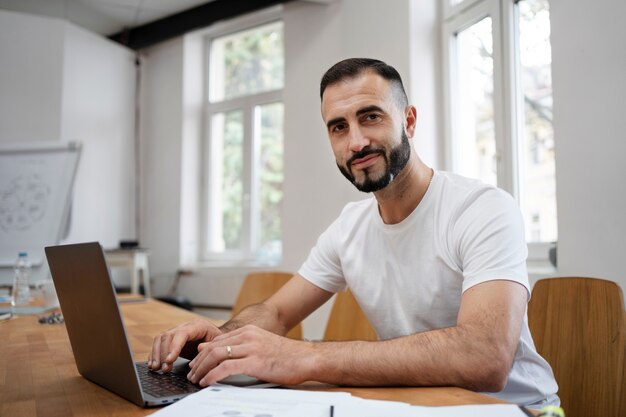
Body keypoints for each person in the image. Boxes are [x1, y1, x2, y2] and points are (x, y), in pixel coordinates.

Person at [149, 58, 559, 407]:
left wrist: (302, 357)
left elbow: (485, 357)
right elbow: (275, 313)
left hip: (520, 410)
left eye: (371, 117)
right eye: (338, 127)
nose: (356, 142)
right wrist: (219, 340)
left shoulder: (481, 208)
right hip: (421, 406)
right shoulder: (349, 228)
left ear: (409, 121)